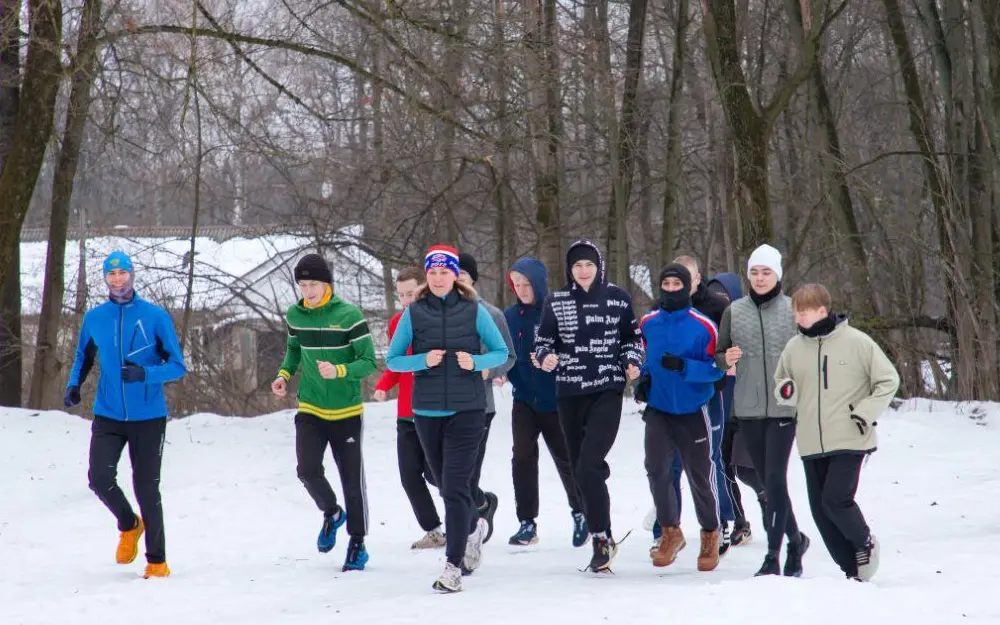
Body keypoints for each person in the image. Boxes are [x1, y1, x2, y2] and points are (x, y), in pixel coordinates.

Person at [385, 244, 510, 593]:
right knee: (442, 483)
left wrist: (478, 362)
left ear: (455, 275)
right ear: (427, 276)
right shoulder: (413, 313)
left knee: (454, 488)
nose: (438, 278)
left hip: (468, 411)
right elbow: (394, 360)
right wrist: (422, 360)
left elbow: (500, 351)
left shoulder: (474, 311)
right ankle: (472, 529)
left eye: (445, 272)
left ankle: (452, 566)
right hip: (425, 412)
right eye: (433, 272)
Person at [64, 250, 187, 579]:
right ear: (105, 278)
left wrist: (145, 374)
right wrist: (74, 386)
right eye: (111, 274)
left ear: (132, 275)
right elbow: (83, 356)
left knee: (146, 486)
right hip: (109, 414)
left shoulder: (154, 316)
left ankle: (157, 561)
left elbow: (177, 366)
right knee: (99, 479)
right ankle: (129, 524)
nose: (117, 279)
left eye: (122, 273)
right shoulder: (95, 318)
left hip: (148, 416)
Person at [774, 284, 899, 581]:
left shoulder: (857, 342)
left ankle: (864, 542)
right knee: (820, 510)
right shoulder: (794, 347)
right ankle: (851, 571)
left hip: (850, 435)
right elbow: (782, 385)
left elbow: (888, 380)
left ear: (821, 311)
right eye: (795, 313)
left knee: (835, 499)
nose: (797, 318)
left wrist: (864, 414)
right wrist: (786, 390)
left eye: (802, 312)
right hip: (810, 441)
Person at [534, 239, 644, 573]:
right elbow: (543, 342)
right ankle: (603, 528)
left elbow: (633, 339)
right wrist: (545, 357)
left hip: (606, 390)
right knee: (583, 468)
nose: (583, 271)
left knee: (586, 466)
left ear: (599, 267)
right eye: (577, 266)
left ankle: (600, 538)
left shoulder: (618, 299)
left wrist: (632, 360)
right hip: (569, 391)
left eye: (589, 265)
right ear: (570, 269)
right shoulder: (556, 301)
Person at [271, 253, 378, 572]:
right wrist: (283, 375)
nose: (308, 291)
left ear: (326, 283)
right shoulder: (295, 315)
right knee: (306, 470)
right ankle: (332, 513)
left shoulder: (349, 315)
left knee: (351, 481)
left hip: (346, 411)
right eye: (303, 285)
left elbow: (369, 362)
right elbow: (293, 350)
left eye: (313, 284)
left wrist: (341, 370)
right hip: (311, 407)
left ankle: (357, 542)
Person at [715, 243, 809, 577]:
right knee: (770, 485)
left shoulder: (792, 310)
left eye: (766, 271)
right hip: (748, 408)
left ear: (777, 274)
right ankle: (796, 539)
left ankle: (775, 555)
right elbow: (719, 353)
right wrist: (723, 360)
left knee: (773, 478)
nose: (759, 278)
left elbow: (812, 352)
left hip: (785, 407)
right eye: (754, 272)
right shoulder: (734, 311)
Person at [637, 263, 726, 572]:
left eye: (677, 284)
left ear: (687, 287)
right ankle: (671, 533)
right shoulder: (648, 322)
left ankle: (711, 534)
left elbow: (717, 369)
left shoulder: (704, 326)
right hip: (660, 410)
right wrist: (643, 380)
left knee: (700, 475)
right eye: (667, 284)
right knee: (656, 470)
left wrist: (686, 366)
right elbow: (647, 358)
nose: (671, 289)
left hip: (692, 410)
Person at [503, 257, 587, 547]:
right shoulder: (508, 317)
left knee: (566, 458)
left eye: (526, 283)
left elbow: (577, 349)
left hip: (558, 399)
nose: (522, 289)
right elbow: (504, 352)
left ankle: (581, 512)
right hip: (524, 399)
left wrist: (557, 362)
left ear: (538, 283)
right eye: (516, 284)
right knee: (522, 458)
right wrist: (503, 372)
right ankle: (527, 523)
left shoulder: (558, 311)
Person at [374, 267, 444, 550]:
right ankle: (434, 530)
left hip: (434, 409)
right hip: (406, 413)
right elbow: (395, 361)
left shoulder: (438, 318)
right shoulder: (396, 322)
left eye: (410, 294)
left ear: (424, 288)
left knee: (437, 473)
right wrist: (383, 385)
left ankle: (478, 504)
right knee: (409, 475)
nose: (405, 300)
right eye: (401, 295)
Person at [457, 252, 517, 543]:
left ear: (472, 279)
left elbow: (509, 356)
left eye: (462, 276)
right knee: (446, 474)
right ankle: (481, 504)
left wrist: (488, 370)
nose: (455, 281)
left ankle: (468, 534)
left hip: (481, 405)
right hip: (441, 405)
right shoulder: (432, 313)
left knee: (466, 473)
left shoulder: (491, 314)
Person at [705, 271, 765, 546]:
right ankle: (740, 522)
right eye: (714, 296)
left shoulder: (750, 322)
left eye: (724, 296)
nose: (720, 303)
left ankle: (773, 509)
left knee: (747, 469)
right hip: (722, 409)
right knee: (725, 469)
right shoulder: (711, 332)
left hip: (750, 410)